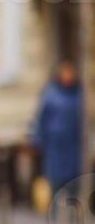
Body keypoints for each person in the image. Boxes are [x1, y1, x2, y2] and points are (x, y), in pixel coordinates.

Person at [32, 59, 85, 204]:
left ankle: (71, 212)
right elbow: (41, 118)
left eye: (70, 72)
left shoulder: (79, 94)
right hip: (55, 146)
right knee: (55, 181)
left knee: (73, 181)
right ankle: (55, 214)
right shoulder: (50, 94)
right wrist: (37, 139)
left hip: (73, 145)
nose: (67, 75)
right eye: (65, 72)